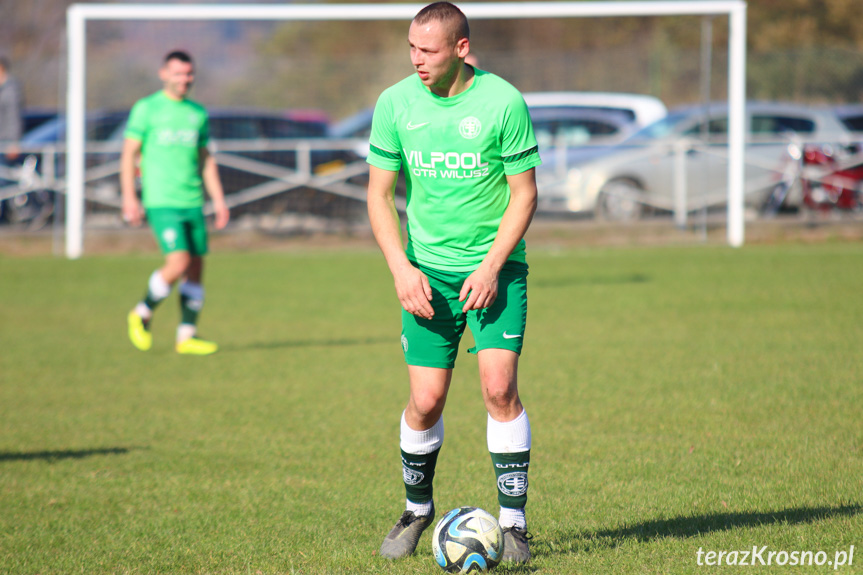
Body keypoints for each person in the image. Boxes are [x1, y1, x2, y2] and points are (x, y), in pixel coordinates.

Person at [366, 2, 541, 564]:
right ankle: (417, 510)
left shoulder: (503, 102)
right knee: (425, 400)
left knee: (498, 391)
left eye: (428, 51)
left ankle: (513, 524)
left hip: (496, 269)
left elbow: (525, 194)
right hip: (426, 273)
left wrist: (491, 267)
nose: (417, 60)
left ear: (461, 48)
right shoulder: (394, 103)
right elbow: (378, 196)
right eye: (412, 49)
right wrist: (401, 268)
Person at [122, 50, 229, 356]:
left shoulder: (197, 113)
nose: (184, 79)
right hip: (161, 201)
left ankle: (186, 335)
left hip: (192, 200)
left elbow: (206, 160)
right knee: (178, 261)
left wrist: (219, 200)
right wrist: (130, 196)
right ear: (163, 74)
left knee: (195, 266)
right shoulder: (147, 109)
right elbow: (129, 154)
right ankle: (141, 312)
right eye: (178, 73)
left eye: (189, 73)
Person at [0, 56, 23, 189]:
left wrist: (14, 142)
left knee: (4, 180)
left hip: (5, 142)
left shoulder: (11, 90)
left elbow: (14, 116)